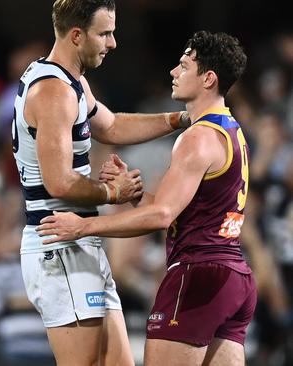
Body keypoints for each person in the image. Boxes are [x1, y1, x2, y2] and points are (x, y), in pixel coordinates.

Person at [37, 31, 255, 366]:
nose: (173, 72)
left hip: (197, 276)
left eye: (184, 66)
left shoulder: (197, 138)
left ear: (208, 78)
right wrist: (136, 194)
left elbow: (162, 216)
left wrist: (83, 226)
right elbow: (185, 209)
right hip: (235, 278)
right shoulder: (232, 131)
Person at [12, 1, 193, 365]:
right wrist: (114, 192)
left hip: (79, 241)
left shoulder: (70, 80)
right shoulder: (54, 93)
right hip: (58, 243)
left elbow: (111, 126)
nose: (112, 43)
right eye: (105, 33)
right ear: (76, 35)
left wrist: (182, 118)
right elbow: (59, 182)